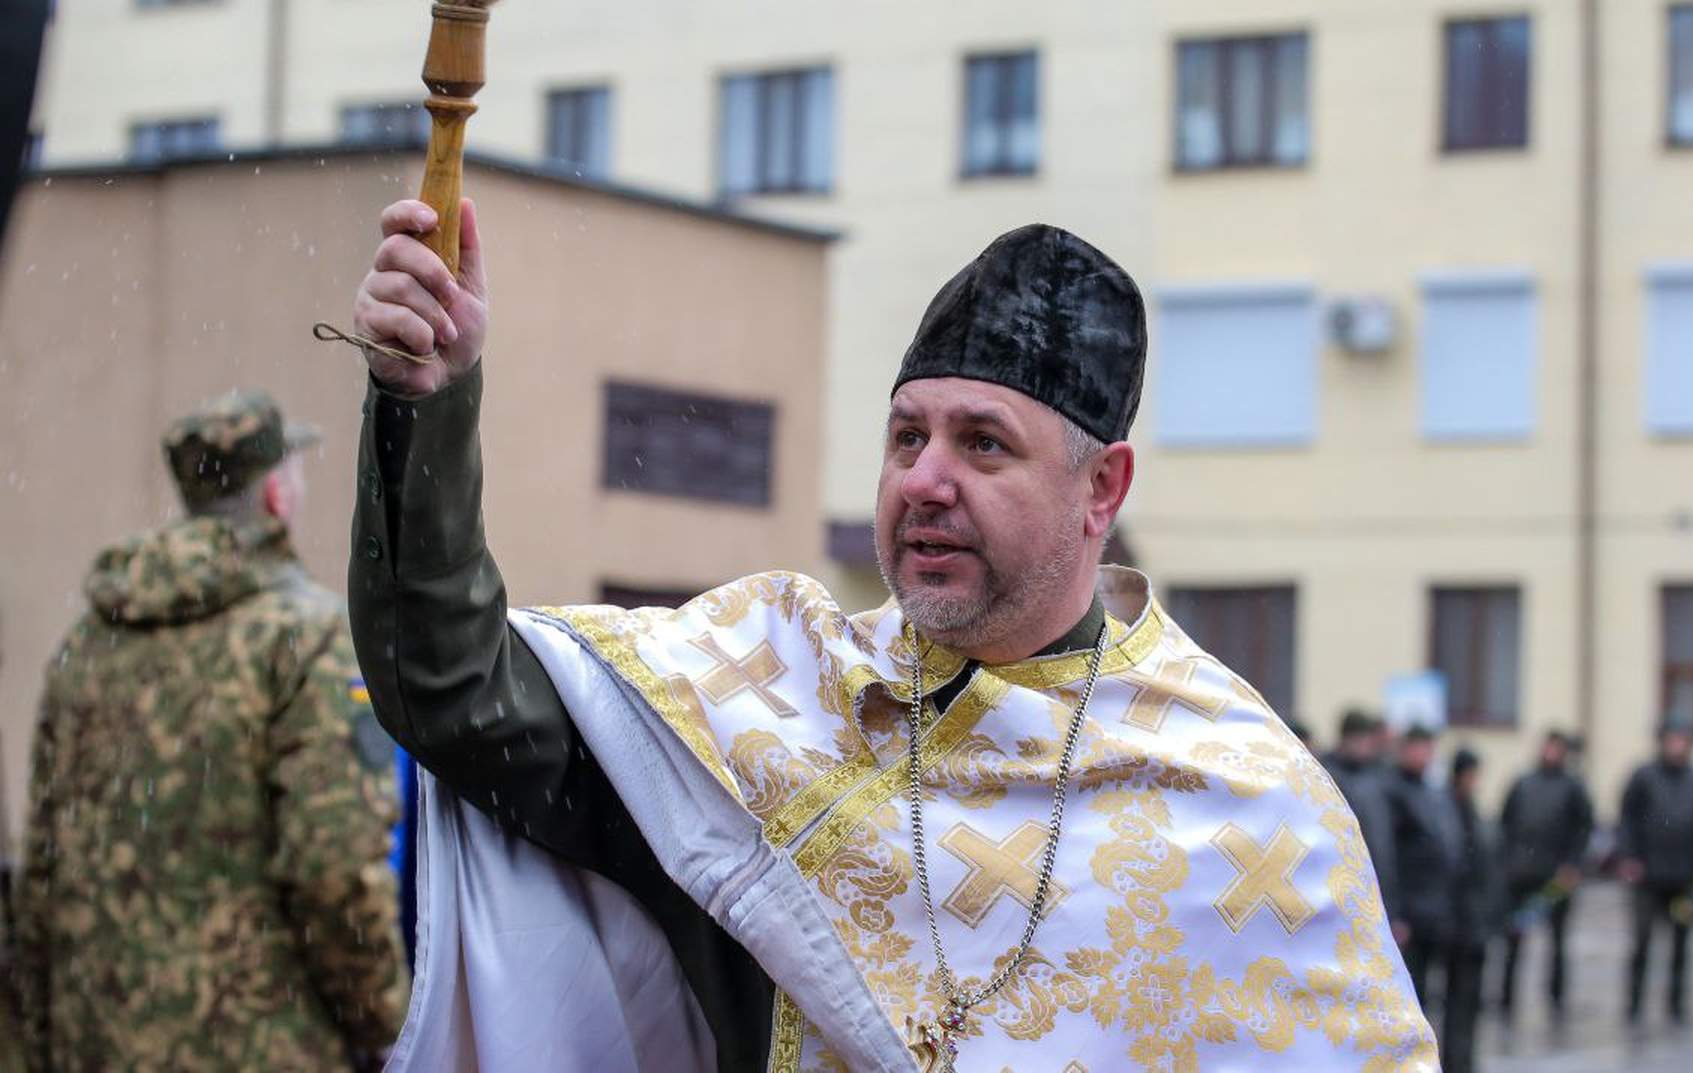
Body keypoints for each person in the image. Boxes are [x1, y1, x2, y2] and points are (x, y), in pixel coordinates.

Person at [345, 203, 1440, 1070]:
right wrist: (425, 403)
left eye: (983, 445)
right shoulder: (764, 691)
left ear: (1100, 487)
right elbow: (455, 689)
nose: (924, 479)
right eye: (907, 433)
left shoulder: (1245, 801)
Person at [15, 391, 408, 1072]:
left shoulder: (87, 642)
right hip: (259, 1047)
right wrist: (388, 1022)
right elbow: (335, 867)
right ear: (278, 497)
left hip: (93, 1043)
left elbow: (40, 874)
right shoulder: (308, 637)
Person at [1617, 717, 1693, 1025]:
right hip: (1648, 877)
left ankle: (1676, 1005)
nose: (1677, 745)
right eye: (1673, 739)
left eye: (1683, 740)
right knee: (1642, 942)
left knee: (1681, 944)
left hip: (1685, 878)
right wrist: (1630, 857)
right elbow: (1628, 820)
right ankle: (1634, 1004)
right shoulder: (1643, 777)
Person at [1497, 728, 1593, 1019]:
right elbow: (1506, 824)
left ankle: (1556, 998)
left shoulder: (1573, 787)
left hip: (1556, 879)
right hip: (1521, 875)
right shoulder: (1523, 783)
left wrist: (1573, 865)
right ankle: (1506, 998)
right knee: (1514, 937)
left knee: (1558, 941)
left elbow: (1583, 830)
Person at [1387, 725, 1463, 1010]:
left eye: (1429, 748)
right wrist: (1396, 912)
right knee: (1409, 991)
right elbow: (1388, 855)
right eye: (1419, 748)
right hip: (1409, 910)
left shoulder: (1434, 793)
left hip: (1436, 908)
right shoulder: (1392, 791)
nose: (1425, 755)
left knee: (1429, 992)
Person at [1440, 748, 1502, 1073]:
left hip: (1474, 925)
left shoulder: (1474, 814)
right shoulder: (1449, 815)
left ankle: (1463, 1061)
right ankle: (1455, 1062)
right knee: (1456, 1002)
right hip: (1457, 927)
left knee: (1467, 1002)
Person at [1323, 708, 1401, 921]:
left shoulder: (1377, 777)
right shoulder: (1327, 775)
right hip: (1344, 888)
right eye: (1361, 739)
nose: (1366, 746)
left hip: (1376, 889)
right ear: (1348, 738)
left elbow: (1385, 845)